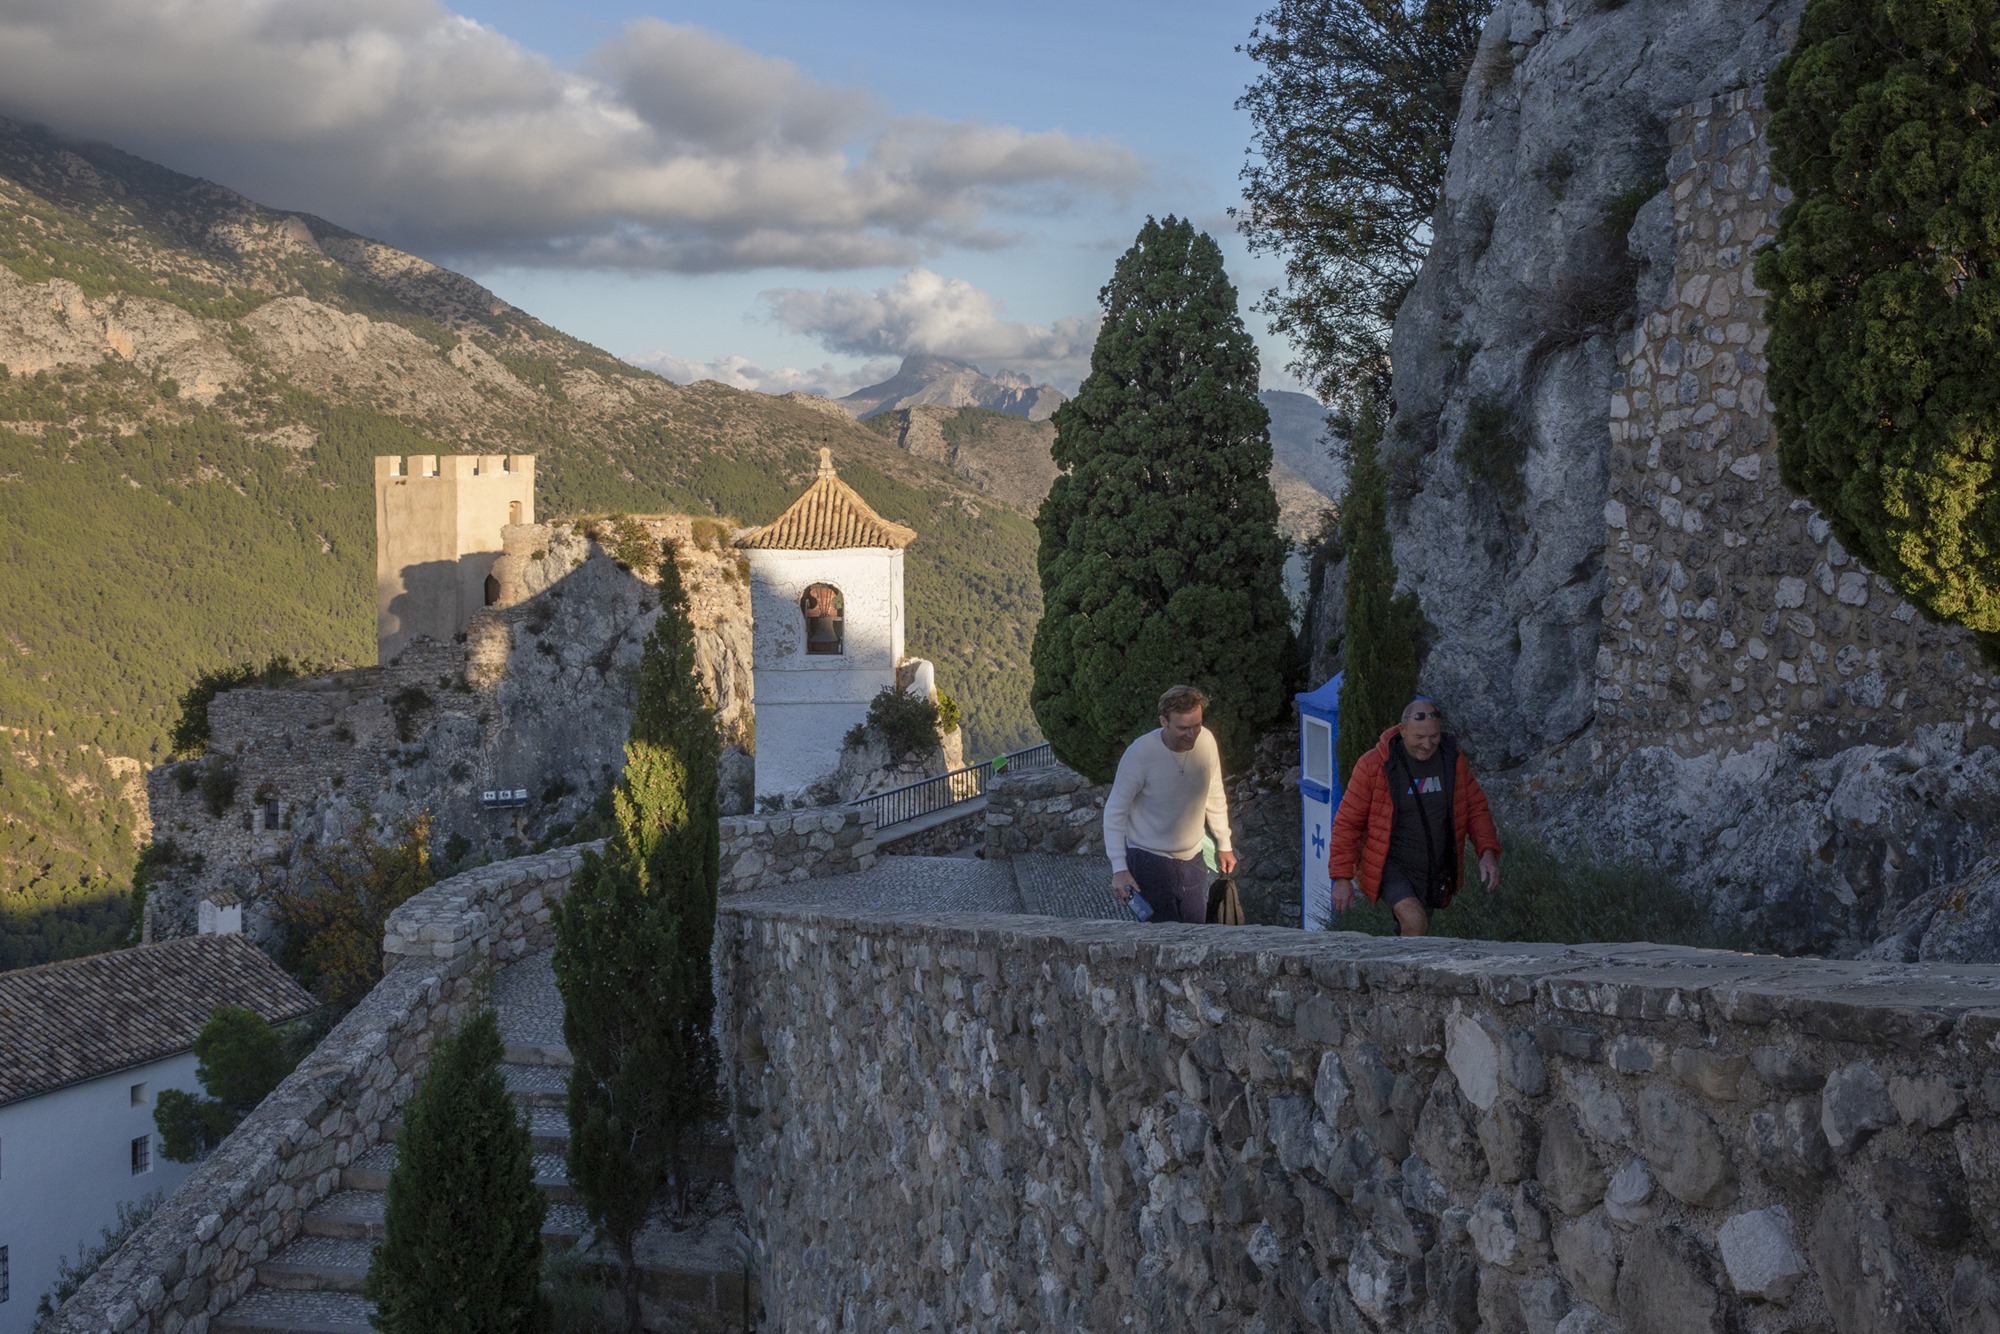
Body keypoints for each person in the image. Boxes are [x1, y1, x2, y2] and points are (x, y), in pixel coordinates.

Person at [1327, 696, 1501, 936]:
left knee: (1415, 931)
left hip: (1435, 867)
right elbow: (1347, 822)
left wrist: (1487, 852)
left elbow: (1475, 808)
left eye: (1434, 736)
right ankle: (1401, 973)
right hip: (1391, 865)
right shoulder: (1374, 765)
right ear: (1402, 730)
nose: (1427, 744)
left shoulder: (1452, 760)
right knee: (1414, 921)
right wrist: (1342, 877)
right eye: (1419, 737)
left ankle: (1390, 970)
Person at [1105, 685, 1237, 923]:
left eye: (1197, 725)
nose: (1192, 734)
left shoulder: (1206, 740)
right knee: (1162, 941)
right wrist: (1119, 869)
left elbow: (1214, 792)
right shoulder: (1140, 754)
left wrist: (1224, 842)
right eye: (1183, 728)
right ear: (1163, 722)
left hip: (1194, 858)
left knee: (1196, 936)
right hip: (1148, 860)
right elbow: (1116, 811)